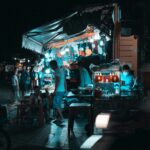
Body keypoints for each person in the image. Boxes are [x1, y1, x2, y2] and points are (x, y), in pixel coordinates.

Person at [49, 60, 67, 125]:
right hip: (62, 90)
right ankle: (58, 118)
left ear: (53, 65)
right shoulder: (62, 70)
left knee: (56, 104)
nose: (50, 67)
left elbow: (57, 81)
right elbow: (64, 81)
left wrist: (55, 91)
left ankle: (62, 118)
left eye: (50, 65)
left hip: (59, 90)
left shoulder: (57, 71)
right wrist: (66, 89)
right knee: (58, 104)